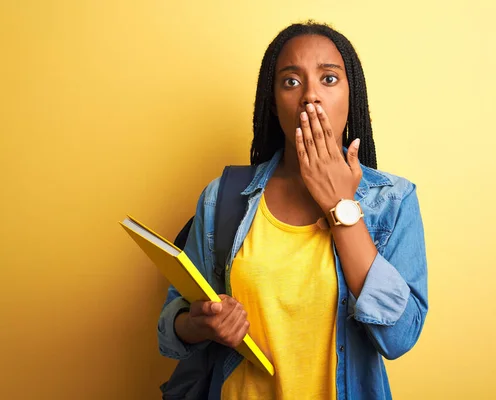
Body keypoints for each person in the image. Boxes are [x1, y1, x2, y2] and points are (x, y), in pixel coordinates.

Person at [158, 21, 428, 400]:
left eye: (329, 79)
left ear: (353, 97)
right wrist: (200, 325)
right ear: (273, 101)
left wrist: (341, 207)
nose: (310, 96)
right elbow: (174, 320)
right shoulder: (222, 196)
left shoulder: (393, 200)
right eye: (291, 81)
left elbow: (399, 337)